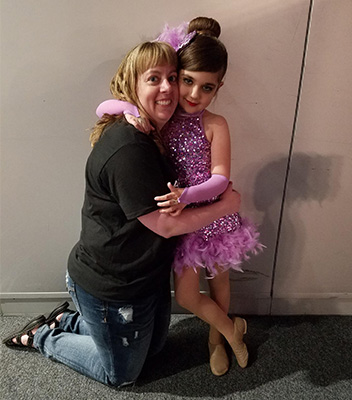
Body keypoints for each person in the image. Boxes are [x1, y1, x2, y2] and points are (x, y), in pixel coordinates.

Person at [2, 41, 241, 387]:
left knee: (156, 350)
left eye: (172, 78)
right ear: (133, 84)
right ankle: (42, 336)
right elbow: (167, 224)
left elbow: (111, 106)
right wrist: (226, 206)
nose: (169, 89)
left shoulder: (154, 126)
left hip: (144, 276)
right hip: (114, 285)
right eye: (154, 79)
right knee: (122, 375)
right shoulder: (129, 148)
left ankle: (65, 321)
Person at [96, 17, 264, 376]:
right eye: (187, 81)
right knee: (188, 295)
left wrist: (187, 194)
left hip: (216, 215)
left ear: (218, 88)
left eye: (206, 88)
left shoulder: (216, 124)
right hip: (184, 222)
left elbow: (221, 179)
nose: (193, 95)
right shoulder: (165, 115)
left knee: (220, 284)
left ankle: (216, 341)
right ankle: (233, 330)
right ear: (177, 77)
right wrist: (128, 111)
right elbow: (103, 109)